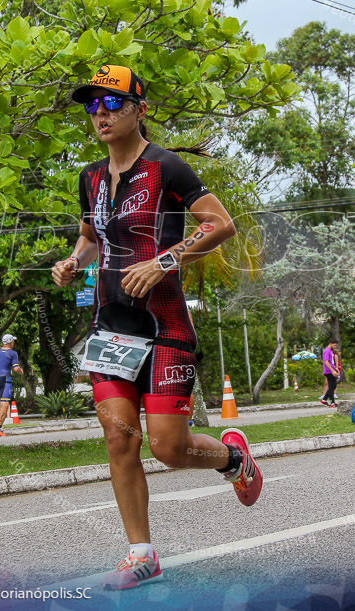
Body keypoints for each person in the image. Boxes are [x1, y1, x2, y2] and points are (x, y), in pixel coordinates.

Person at [51, 64, 260, 590]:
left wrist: (165, 262)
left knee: (168, 446)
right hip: (111, 327)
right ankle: (141, 553)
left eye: (112, 103)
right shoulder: (91, 177)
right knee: (119, 439)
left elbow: (220, 224)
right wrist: (73, 261)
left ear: (139, 109)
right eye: (92, 105)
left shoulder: (167, 168)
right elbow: (90, 234)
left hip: (163, 326)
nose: (100, 113)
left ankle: (233, 457)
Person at [0, 334, 23, 437]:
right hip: (5, 379)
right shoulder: (12, 353)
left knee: (1, 402)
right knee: (5, 403)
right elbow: (15, 368)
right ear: (11, 342)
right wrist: (20, 371)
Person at [321, 339, 341, 407]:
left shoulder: (330, 351)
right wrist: (332, 371)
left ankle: (324, 399)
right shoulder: (326, 351)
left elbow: (331, 361)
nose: (335, 347)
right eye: (334, 345)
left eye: (336, 345)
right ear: (330, 344)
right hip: (328, 371)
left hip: (331, 370)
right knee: (332, 386)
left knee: (333, 386)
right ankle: (332, 402)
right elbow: (326, 362)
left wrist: (335, 368)